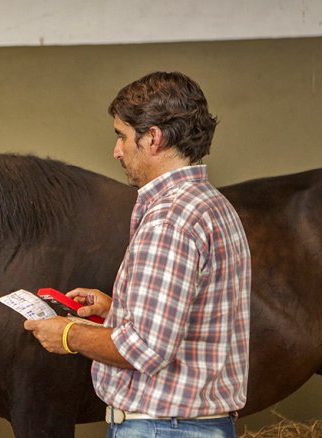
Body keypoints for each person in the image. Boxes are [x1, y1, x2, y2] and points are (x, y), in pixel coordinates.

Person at [24, 72, 251, 438]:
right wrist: (117, 309)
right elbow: (186, 321)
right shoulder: (212, 205)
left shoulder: (169, 219)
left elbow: (144, 350)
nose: (116, 149)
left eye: (121, 135)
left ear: (153, 138)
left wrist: (68, 334)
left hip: (161, 428)